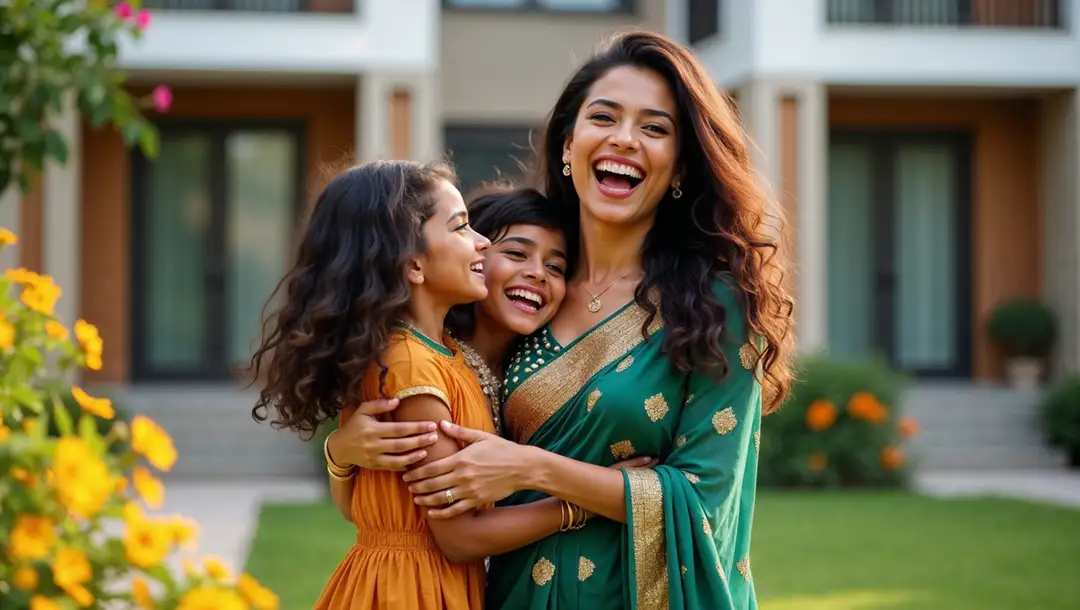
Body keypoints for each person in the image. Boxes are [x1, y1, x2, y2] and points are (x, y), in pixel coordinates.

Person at [335, 31, 796, 610]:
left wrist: (532, 467)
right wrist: (345, 453)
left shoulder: (714, 304)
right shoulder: (515, 284)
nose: (624, 139)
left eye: (654, 128)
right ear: (568, 142)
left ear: (680, 166)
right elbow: (422, 470)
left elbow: (706, 502)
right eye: (604, 117)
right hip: (511, 595)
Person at [249, 162, 641, 610]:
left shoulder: (463, 358)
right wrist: (586, 501)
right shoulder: (416, 365)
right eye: (466, 230)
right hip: (410, 590)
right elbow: (451, 534)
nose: (481, 242)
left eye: (556, 266)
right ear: (413, 263)